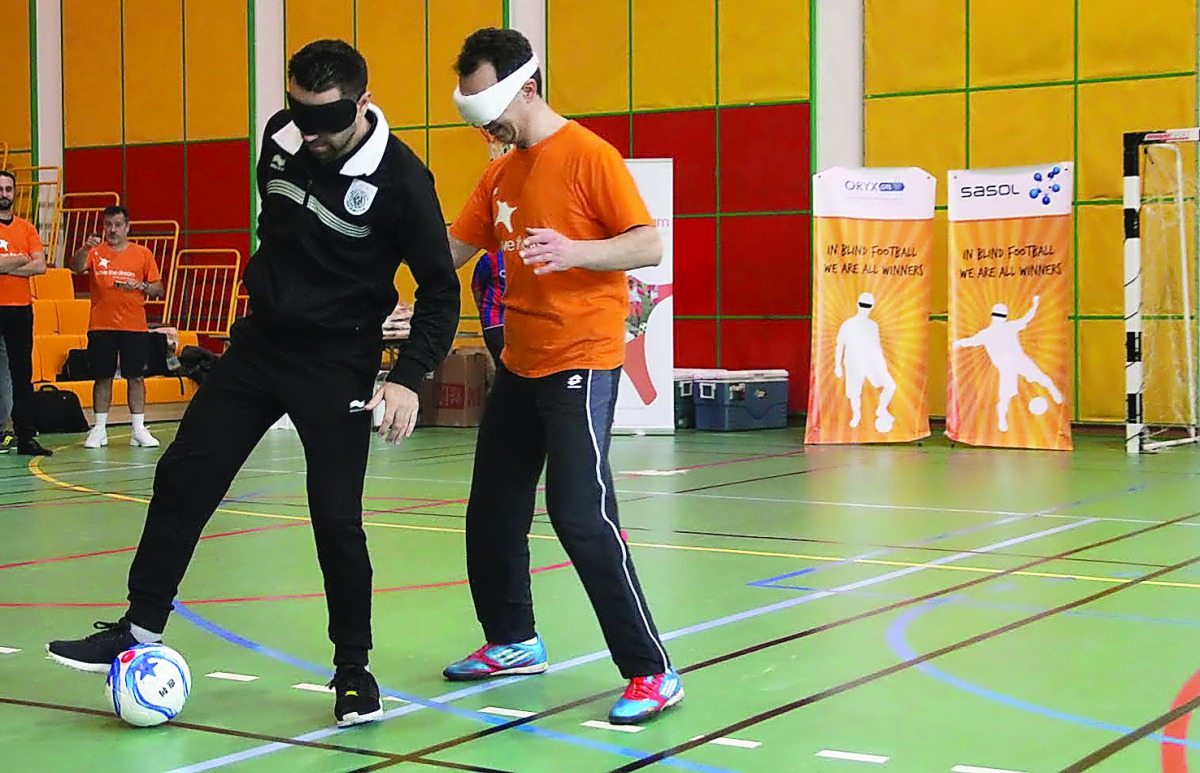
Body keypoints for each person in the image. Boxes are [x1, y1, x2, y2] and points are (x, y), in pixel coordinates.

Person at [46, 39, 461, 727]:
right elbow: (276, 223)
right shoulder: (283, 133)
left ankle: (353, 668)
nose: (310, 133)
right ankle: (139, 626)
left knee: (336, 518)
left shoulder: (403, 183)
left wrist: (409, 377)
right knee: (183, 476)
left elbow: (441, 294)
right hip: (261, 343)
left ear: (361, 104)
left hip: (338, 362)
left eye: (325, 120)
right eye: (298, 112)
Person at [442, 27, 681, 725]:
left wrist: (576, 248)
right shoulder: (500, 172)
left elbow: (648, 242)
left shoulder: (587, 155)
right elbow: (452, 247)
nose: (487, 125)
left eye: (490, 106)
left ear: (528, 86)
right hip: (520, 358)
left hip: (582, 357)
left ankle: (651, 669)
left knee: (579, 513)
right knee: (492, 508)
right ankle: (513, 640)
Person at [69, 206, 165, 449]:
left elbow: (158, 288)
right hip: (101, 324)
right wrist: (84, 248)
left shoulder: (143, 254)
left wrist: (141, 285)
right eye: (108, 225)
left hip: (134, 326)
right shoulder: (95, 252)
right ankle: (99, 429)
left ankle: (138, 429)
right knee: (102, 377)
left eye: (117, 225)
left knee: (136, 377)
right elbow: (75, 267)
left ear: (127, 227)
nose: (112, 230)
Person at [953, 295, 1063, 432]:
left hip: (1019, 360)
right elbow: (969, 341)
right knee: (1006, 395)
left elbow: (1027, 318)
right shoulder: (989, 333)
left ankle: (1054, 393)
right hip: (1007, 366)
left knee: (1041, 379)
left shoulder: (1006, 327)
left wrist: (1035, 305)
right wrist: (957, 343)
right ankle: (1002, 420)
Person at [0, 169, 51, 456]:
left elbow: (41, 266)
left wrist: (7, 264)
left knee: (22, 375)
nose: (4, 194)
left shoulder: (26, 228)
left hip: (20, 310)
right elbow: (29, 262)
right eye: (0, 188)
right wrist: (21, 259)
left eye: (9, 189)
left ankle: (26, 437)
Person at [834, 292, 897, 432]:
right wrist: (837, 365)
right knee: (854, 393)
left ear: (872, 307)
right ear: (858, 305)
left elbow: (876, 346)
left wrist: (882, 366)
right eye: (863, 305)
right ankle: (857, 415)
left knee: (890, 386)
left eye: (868, 306)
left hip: (871, 362)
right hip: (853, 362)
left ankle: (881, 409)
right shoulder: (848, 324)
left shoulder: (872, 326)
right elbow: (840, 344)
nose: (865, 309)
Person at [471, 249, 504, 364]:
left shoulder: (533, 256)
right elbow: (477, 288)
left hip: (522, 320)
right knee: (503, 364)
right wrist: (482, 310)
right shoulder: (490, 258)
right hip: (495, 319)